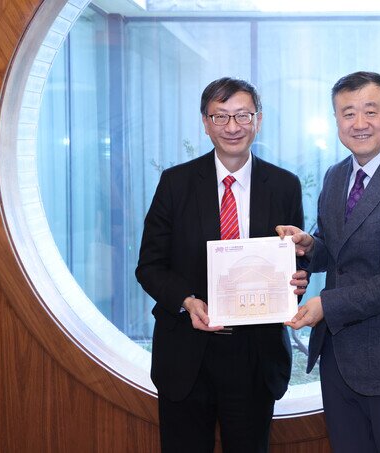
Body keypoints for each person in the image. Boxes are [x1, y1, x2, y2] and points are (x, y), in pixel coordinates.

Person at [276, 71, 380, 453]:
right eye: (348, 113)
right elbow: (338, 251)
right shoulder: (336, 176)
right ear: (336, 120)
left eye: (370, 111)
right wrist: (309, 245)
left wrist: (327, 305)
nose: (359, 123)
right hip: (339, 359)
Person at [136, 77, 308, 453]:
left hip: (254, 355)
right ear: (205, 122)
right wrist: (186, 300)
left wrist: (297, 280)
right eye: (220, 116)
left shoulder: (284, 186)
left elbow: (296, 262)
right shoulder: (176, 183)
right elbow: (149, 265)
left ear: (258, 121)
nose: (232, 127)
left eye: (242, 115)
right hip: (187, 351)